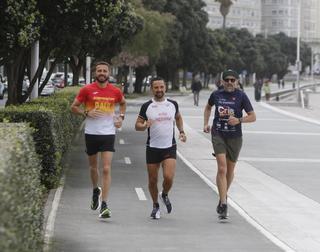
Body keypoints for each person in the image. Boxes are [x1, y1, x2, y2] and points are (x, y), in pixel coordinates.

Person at [70, 61, 126, 219]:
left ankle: (104, 204)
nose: (102, 73)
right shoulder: (87, 90)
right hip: (91, 133)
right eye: (99, 71)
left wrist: (120, 118)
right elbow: (73, 107)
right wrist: (86, 113)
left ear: (109, 73)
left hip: (108, 133)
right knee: (93, 168)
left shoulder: (115, 91)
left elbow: (123, 103)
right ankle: (96, 189)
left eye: (105, 71)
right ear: (95, 73)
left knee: (106, 169)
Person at [203, 69, 256, 220]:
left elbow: (253, 117)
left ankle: (222, 197)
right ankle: (225, 203)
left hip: (235, 137)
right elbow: (208, 107)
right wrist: (206, 123)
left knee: (229, 171)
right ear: (222, 81)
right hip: (218, 133)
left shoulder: (241, 96)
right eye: (227, 80)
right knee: (222, 167)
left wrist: (239, 120)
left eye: (233, 80)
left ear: (237, 82)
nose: (230, 82)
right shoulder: (216, 95)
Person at [135, 77, 187, 219]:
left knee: (168, 177)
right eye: (156, 87)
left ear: (165, 88)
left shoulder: (172, 104)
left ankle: (164, 194)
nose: (159, 90)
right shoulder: (147, 106)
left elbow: (178, 117)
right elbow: (137, 125)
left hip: (169, 146)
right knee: (152, 180)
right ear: (152, 89)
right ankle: (155, 205)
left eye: (161, 87)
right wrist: (144, 125)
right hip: (152, 147)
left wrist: (181, 131)